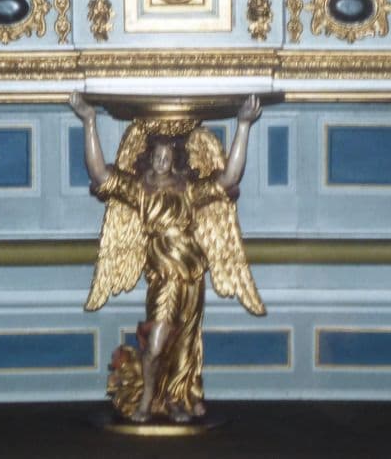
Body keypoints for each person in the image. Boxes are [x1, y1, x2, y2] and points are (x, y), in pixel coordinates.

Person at [70, 93, 265, 423]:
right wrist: (89, 120)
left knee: (185, 344)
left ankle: (177, 397)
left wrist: (243, 125)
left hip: (192, 274)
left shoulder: (188, 189)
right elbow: (100, 174)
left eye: (167, 156)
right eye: (157, 155)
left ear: (175, 159)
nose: (161, 160)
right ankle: (147, 399)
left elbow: (229, 178)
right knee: (156, 344)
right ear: (149, 157)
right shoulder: (140, 189)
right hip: (163, 278)